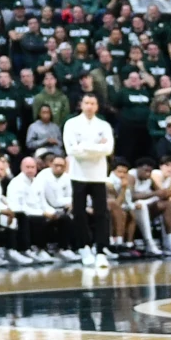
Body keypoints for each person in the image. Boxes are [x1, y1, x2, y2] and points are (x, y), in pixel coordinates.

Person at [61, 95, 115, 265]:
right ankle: (83, 247)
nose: (90, 106)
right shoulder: (71, 124)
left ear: (97, 106)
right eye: (87, 103)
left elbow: (108, 149)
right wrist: (96, 147)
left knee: (101, 213)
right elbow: (71, 150)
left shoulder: (103, 125)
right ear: (81, 104)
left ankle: (101, 250)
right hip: (78, 174)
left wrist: (84, 145)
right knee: (79, 212)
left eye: (93, 103)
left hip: (98, 175)